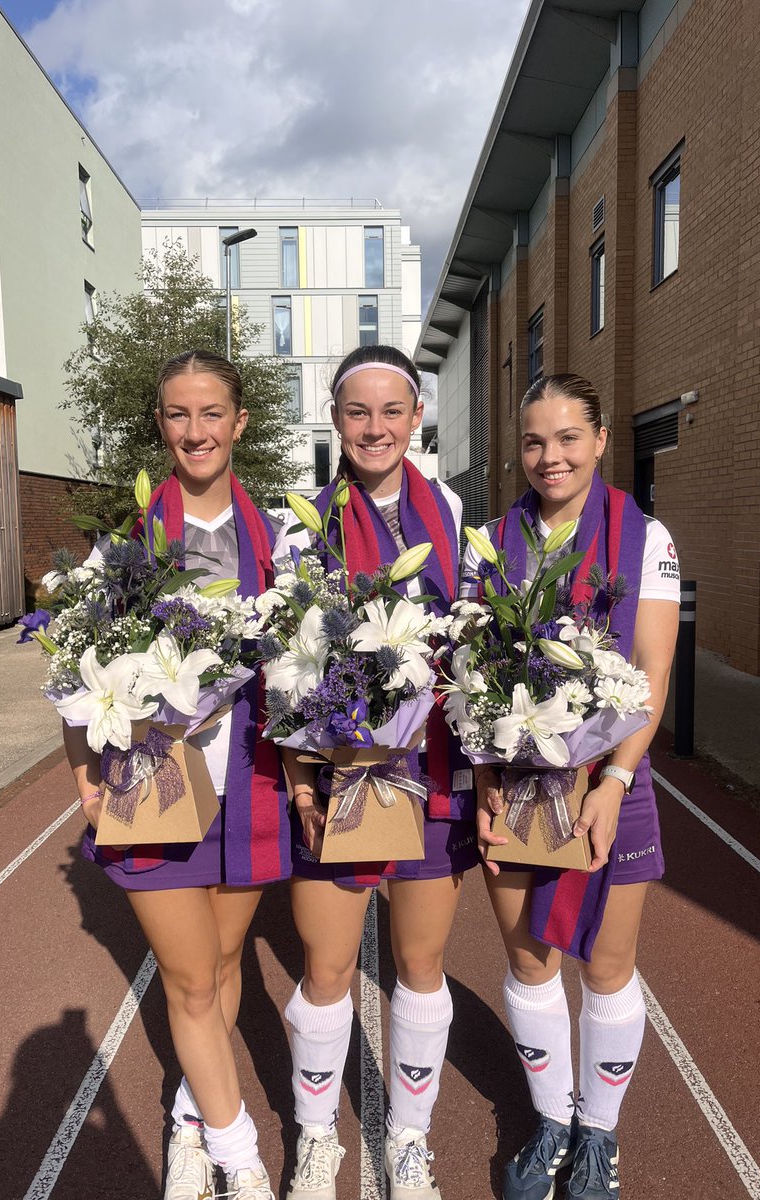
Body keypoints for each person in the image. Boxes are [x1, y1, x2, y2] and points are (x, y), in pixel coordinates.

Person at [63, 350, 290, 1200]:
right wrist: (85, 775)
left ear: (238, 423)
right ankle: (241, 1160)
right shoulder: (123, 544)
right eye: (177, 415)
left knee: (225, 964)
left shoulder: (275, 540)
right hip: (152, 785)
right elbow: (75, 673)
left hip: (251, 786)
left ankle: (192, 1116)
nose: (194, 431)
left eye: (210, 414)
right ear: (160, 425)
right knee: (193, 979)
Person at [463, 374, 679, 1200]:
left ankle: (599, 1133)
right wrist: (485, 772)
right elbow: (471, 671)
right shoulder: (492, 540)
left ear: (597, 441)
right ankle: (553, 1120)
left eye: (565, 439)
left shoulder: (645, 537)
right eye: (532, 441)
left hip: (608, 781)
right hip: (515, 784)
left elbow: (654, 672)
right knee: (526, 957)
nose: (548, 457)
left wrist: (614, 778)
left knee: (610, 965)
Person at [272, 345, 477, 1200]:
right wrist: (301, 778)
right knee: (326, 969)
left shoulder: (454, 512)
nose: (376, 427)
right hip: (341, 772)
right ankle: (317, 1140)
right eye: (359, 412)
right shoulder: (304, 523)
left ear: (416, 417)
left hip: (428, 770)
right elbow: (282, 660)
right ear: (336, 420)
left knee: (420, 965)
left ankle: (408, 1141)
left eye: (392, 410)